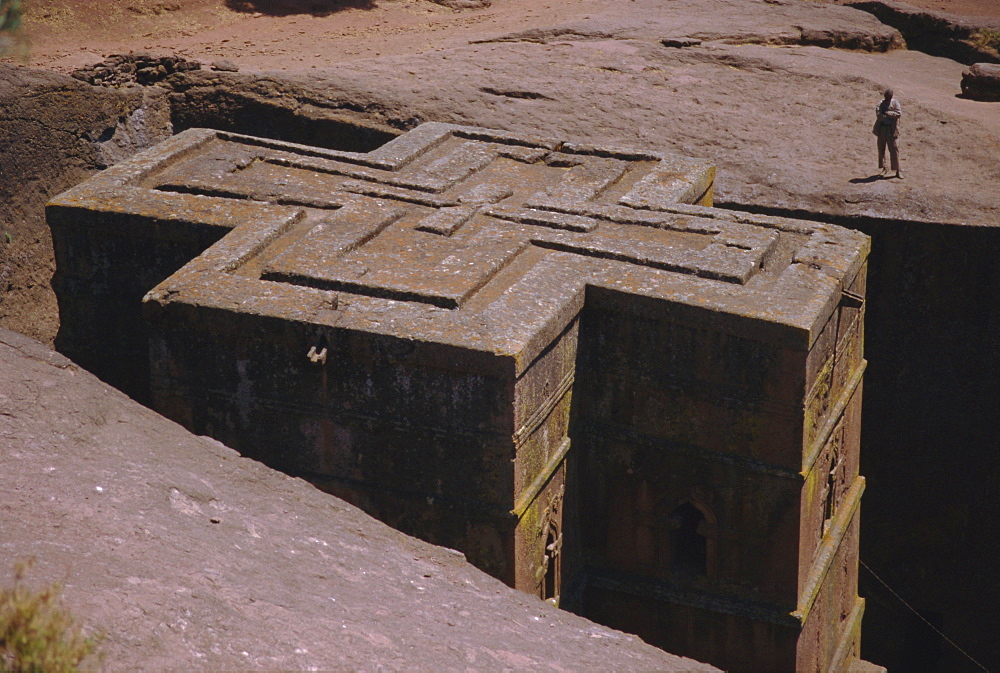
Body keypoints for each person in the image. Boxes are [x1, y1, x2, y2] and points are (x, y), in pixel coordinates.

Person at [873, 88, 902, 179]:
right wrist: (888, 116)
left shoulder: (895, 103)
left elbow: (898, 114)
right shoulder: (880, 103)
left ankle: (897, 170)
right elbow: (879, 115)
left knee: (894, 150)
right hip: (882, 129)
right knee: (881, 149)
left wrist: (887, 113)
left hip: (892, 130)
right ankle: (884, 168)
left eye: (889, 97)